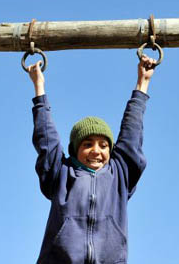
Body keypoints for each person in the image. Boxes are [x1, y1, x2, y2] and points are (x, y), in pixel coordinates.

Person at [27, 55, 156, 264]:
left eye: (103, 146)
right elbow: (46, 139)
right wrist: (39, 87)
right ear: (75, 150)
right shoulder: (60, 173)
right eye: (87, 144)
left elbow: (131, 134)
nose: (96, 151)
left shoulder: (119, 174)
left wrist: (143, 83)